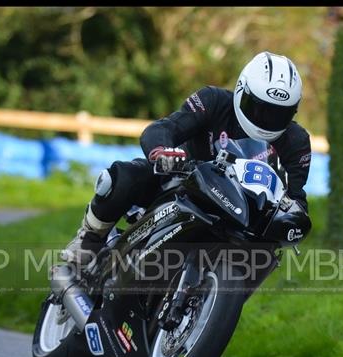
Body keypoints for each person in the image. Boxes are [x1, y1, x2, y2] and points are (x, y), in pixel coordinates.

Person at [61, 51, 312, 266]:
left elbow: (295, 199)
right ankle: (89, 239)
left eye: (278, 114)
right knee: (122, 178)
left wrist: (294, 218)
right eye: (259, 108)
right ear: (241, 90)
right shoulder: (212, 101)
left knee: (268, 252)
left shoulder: (296, 142)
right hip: (181, 186)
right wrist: (164, 152)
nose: (265, 119)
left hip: (243, 218)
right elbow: (165, 128)